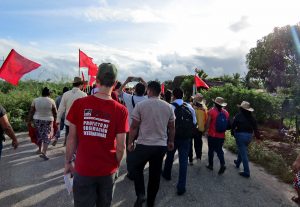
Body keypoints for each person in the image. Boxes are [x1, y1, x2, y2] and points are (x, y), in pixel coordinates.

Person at [64, 63, 129, 207]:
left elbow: (71, 138)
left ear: (97, 81)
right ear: (115, 83)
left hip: (83, 169)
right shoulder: (121, 110)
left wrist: (68, 162)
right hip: (107, 171)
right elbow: (121, 146)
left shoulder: (79, 104)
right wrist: (116, 165)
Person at [128, 81, 175, 207]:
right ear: (160, 92)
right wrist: (170, 141)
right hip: (160, 147)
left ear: (148, 90)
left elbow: (133, 127)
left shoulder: (141, 105)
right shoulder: (168, 107)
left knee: (136, 168)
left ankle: (141, 194)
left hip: (144, 145)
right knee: (155, 175)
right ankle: (151, 202)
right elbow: (172, 127)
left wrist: (130, 142)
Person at [162, 88, 196, 196]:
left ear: (173, 96)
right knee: (183, 161)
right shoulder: (189, 107)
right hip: (186, 138)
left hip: (173, 137)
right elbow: (194, 122)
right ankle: (181, 186)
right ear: (182, 96)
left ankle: (167, 174)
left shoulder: (170, 106)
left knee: (170, 155)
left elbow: (164, 123)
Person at [118, 76, 148, 180]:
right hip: (143, 129)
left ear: (134, 90)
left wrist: (126, 81)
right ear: (145, 90)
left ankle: (131, 171)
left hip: (130, 128)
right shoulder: (147, 99)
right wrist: (143, 80)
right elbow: (152, 91)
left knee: (130, 149)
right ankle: (139, 169)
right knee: (140, 149)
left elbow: (118, 91)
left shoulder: (129, 98)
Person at [231, 101, 260, 178]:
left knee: (244, 153)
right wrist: (258, 137)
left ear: (241, 108)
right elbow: (256, 128)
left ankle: (246, 171)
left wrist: (232, 133)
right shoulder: (252, 118)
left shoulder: (238, 116)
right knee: (242, 149)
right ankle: (237, 162)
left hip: (240, 135)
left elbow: (233, 126)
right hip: (249, 137)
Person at [57, 77, 87, 146]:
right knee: (78, 140)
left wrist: (58, 120)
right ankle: (75, 154)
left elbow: (61, 109)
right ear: (81, 85)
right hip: (79, 122)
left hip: (68, 121)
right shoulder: (84, 95)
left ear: (73, 84)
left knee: (68, 138)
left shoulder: (65, 94)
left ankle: (69, 152)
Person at [28, 87, 57, 160]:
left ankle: (39, 149)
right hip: (48, 120)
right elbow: (55, 112)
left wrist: (29, 120)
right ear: (49, 93)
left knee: (39, 134)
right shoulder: (51, 101)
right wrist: (56, 119)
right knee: (47, 135)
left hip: (37, 119)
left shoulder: (35, 100)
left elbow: (31, 111)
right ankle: (44, 152)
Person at [204, 97, 229, 174]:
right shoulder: (226, 113)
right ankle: (222, 164)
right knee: (219, 150)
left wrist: (206, 131)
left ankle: (210, 165)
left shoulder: (211, 111)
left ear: (215, 103)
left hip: (212, 135)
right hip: (221, 135)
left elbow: (208, 123)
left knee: (211, 150)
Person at [189, 93, 207, 165]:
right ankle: (199, 157)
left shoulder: (191, 107)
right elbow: (206, 119)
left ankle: (190, 160)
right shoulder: (204, 108)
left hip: (191, 128)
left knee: (190, 143)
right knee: (198, 143)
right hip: (200, 129)